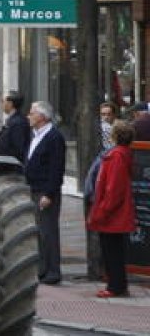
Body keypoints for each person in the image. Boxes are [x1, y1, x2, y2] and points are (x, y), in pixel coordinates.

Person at [86, 120, 136, 298]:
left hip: (112, 215)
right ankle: (118, 284)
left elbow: (113, 188)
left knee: (111, 251)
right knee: (114, 250)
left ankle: (115, 286)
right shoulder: (122, 154)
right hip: (116, 213)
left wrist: (102, 210)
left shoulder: (116, 156)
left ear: (115, 136)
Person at [26, 100, 67, 285]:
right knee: (39, 232)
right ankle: (42, 268)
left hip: (44, 190)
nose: (29, 116)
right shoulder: (35, 135)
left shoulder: (54, 137)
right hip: (33, 188)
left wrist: (49, 194)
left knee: (48, 231)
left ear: (42, 117)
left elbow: (56, 168)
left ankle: (53, 270)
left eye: (32, 113)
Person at [0, 90, 32, 164]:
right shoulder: (12, 120)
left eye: (3, 101)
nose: (1, 104)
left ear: (10, 103)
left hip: (11, 165)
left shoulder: (18, 122)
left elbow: (18, 148)